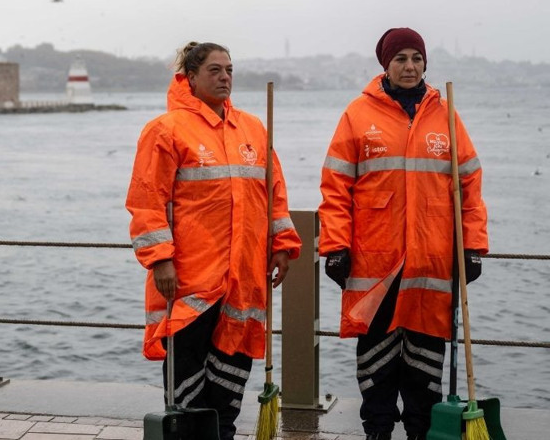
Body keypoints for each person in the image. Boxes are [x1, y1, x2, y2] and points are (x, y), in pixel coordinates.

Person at [126, 41, 302, 440]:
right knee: (188, 386)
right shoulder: (165, 130)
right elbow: (146, 201)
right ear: (190, 76)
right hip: (190, 281)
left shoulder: (254, 128)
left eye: (229, 70)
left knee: (230, 382)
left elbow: (274, 194)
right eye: (214, 70)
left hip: (243, 279)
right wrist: (160, 260)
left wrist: (283, 245)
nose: (225, 78)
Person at [318, 27, 488, 440]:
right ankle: (377, 431)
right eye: (401, 59)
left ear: (426, 63)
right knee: (376, 364)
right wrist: (335, 245)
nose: (410, 66)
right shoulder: (357, 115)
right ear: (385, 65)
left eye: (416, 58)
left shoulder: (446, 116)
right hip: (375, 265)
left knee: (425, 368)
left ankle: (421, 433)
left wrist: (474, 245)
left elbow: (470, 186)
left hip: (431, 265)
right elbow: (336, 187)